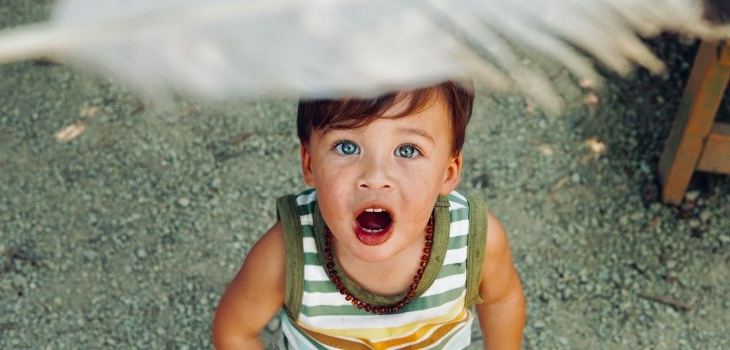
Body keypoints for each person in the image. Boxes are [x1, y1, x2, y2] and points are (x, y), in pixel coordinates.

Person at [212, 81, 525, 349]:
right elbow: (235, 330)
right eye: (347, 147)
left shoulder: (472, 241)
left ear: (448, 171)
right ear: (309, 164)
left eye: (407, 150)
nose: (375, 177)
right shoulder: (286, 254)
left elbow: (502, 299)